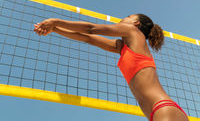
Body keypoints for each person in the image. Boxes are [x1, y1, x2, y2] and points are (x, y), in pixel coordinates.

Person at [34, 14, 188, 121]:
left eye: (127, 17)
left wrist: (55, 21)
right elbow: (89, 38)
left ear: (136, 24)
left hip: (164, 109)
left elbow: (90, 28)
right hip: (158, 112)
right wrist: (55, 29)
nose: (123, 19)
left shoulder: (132, 31)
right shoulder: (123, 47)